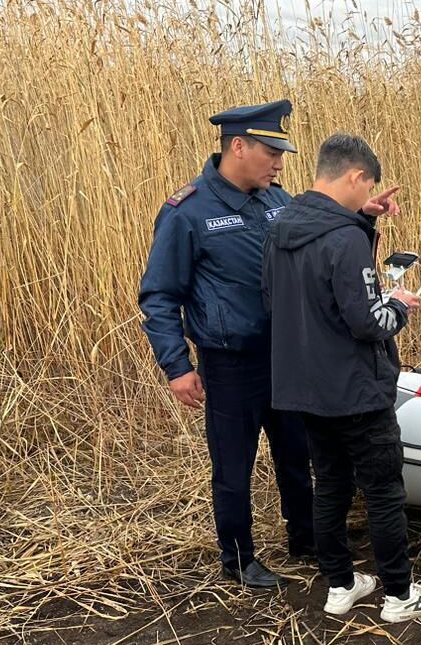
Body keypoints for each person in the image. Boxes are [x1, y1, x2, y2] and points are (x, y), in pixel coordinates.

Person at [262, 133, 421, 621]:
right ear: (356, 176)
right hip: (357, 392)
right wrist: (399, 306)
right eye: (367, 186)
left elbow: (275, 302)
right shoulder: (343, 239)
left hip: (303, 390)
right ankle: (400, 595)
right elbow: (368, 322)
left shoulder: (281, 226)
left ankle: (341, 586)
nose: (366, 195)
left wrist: (365, 219)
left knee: (329, 486)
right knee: (385, 491)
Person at [139, 100, 314, 588]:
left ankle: (306, 538)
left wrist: (361, 215)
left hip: (286, 357)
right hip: (231, 364)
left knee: (297, 454)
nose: (280, 163)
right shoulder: (187, 212)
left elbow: (318, 242)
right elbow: (159, 296)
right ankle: (238, 559)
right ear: (238, 146)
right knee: (234, 465)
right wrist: (176, 366)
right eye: (271, 152)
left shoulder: (278, 201)